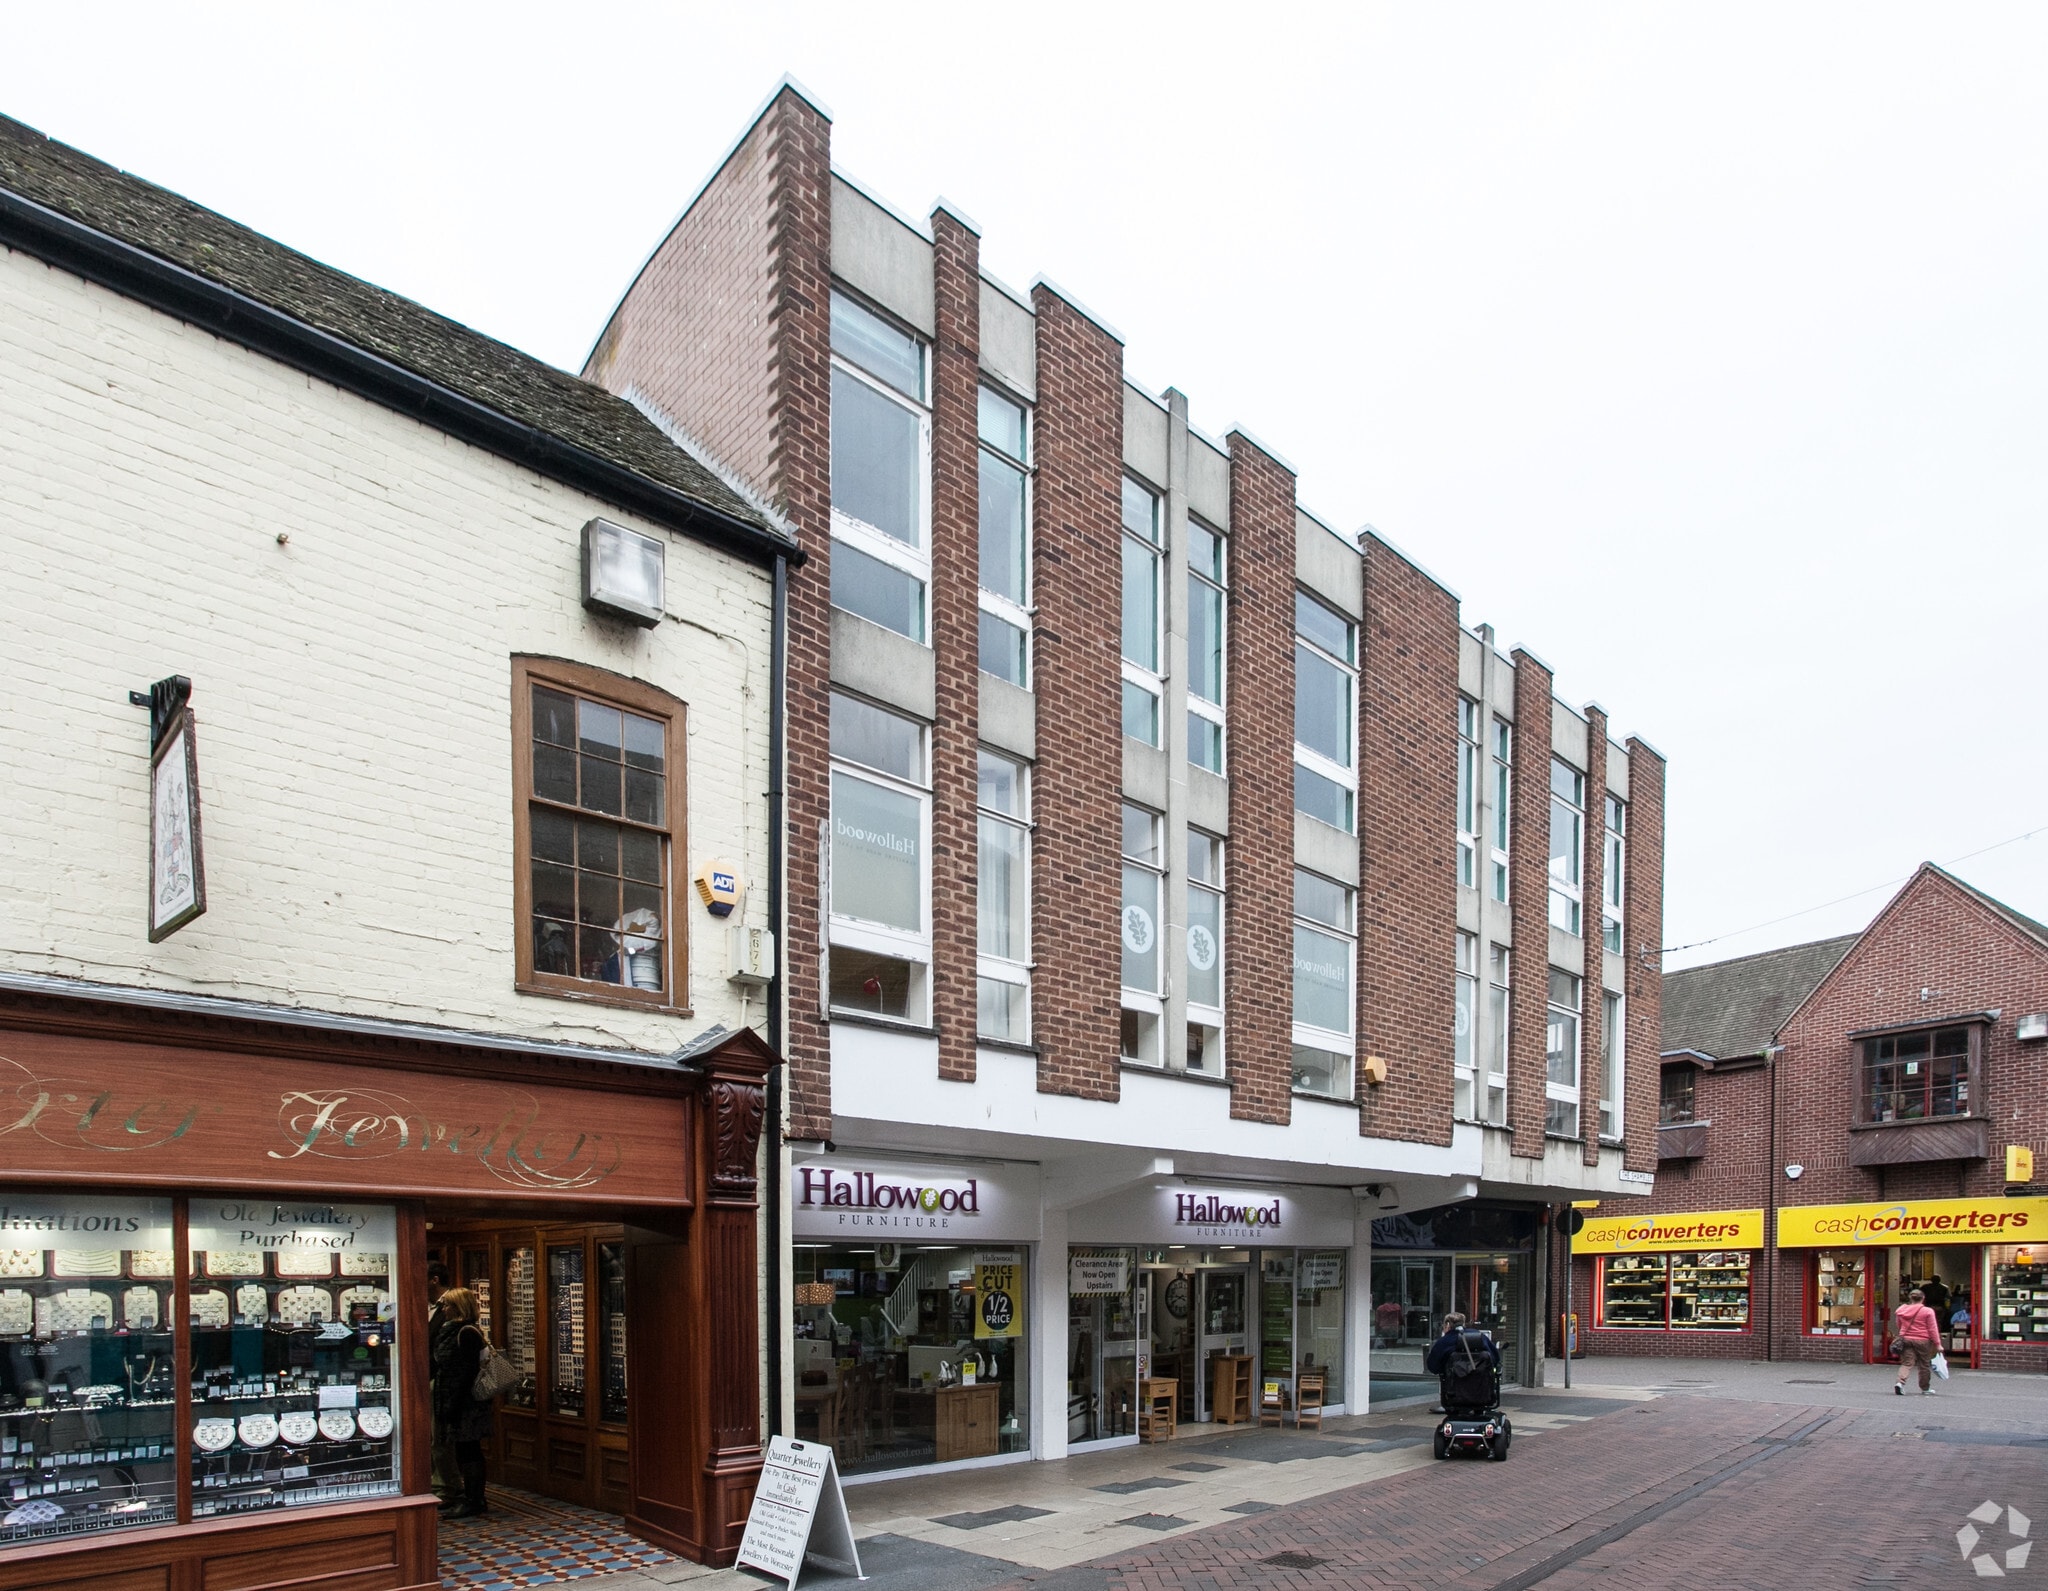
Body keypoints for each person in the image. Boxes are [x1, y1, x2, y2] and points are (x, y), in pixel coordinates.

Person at [432, 1287, 495, 1516]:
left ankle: (474, 1499)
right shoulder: (451, 1330)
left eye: (447, 1305)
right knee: (463, 1449)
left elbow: (466, 1373)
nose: (444, 1309)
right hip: (455, 1399)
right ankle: (469, 1497)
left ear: (457, 1308)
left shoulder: (466, 1332)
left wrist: (453, 1405)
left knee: (469, 1450)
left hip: (466, 1403)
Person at [425, 1265, 457, 1502]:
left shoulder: (451, 1313)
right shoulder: (426, 1305)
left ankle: (447, 1486)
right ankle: (439, 1483)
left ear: (434, 1280)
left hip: (440, 1380)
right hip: (427, 1377)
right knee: (432, 1435)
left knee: (440, 1437)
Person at [1893, 1287, 1942, 1396]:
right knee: (1924, 1364)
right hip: (1923, 1341)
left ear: (1910, 1298)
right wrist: (1938, 1344)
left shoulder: (1902, 1310)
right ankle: (1925, 1388)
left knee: (1907, 1363)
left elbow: (1899, 1325)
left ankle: (1900, 1383)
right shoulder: (1928, 1311)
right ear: (1923, 1298)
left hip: (1906, 1339)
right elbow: (1932, 1329)